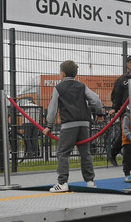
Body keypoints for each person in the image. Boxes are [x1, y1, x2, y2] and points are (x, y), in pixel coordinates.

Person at [43, 60, 105, 192]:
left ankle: (62, 182)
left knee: (62, 153)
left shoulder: (58, 88)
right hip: (84, 124)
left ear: (62, 73)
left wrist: (49, 125)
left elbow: (52, 109)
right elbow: (96, 99)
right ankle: (90, 181)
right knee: (85, 153)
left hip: (68, 125)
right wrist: (99, 114)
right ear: (75, 73)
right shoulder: (82, 86)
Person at [108, 55, 131, 166]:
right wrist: (115, 108)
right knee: (125, 133)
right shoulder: (122, 79)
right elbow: (117, 95)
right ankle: (113, 152)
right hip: (125, 111)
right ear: (126, 64)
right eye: (130, 62)